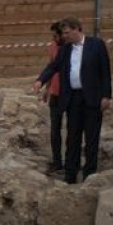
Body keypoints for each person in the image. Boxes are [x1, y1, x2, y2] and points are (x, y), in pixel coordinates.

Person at [32, 17, 112, 184]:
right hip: (73, 99)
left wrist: (106, 95)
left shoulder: (96, 45)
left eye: (67, 33)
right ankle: (70, 174)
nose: (65, 36)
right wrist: (40, 80)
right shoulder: (65, 49)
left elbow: (105, 71)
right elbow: (53, 67)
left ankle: (90, 174)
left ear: (77, 29)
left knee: (92, 137)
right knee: (72, 137)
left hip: (92, 98)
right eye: (63, 34)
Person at [42, 22, 66, 175]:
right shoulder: (52, 47)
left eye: (56, 36)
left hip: (70, 94)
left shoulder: (71, 47)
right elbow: (51, 67)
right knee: (54, 130)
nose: (54, 38)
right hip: (55, 93)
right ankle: (57, 162)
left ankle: (71, 161)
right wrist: (47, 89)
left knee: (74, 130)